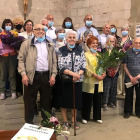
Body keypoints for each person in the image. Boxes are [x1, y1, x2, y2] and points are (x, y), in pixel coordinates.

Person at [18, 24, 57, 123]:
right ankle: (29, 124)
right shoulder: (26, 43)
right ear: (33, 31)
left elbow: (54, 61)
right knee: (30, 102)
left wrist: (53, 75)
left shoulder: (50, 44)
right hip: (32, 76)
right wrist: (23, 74)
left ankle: (46, 123)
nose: (40, 31)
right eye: (38, 29)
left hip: (46, 76)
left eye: (42, 29)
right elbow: (21, 60)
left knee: (46, 102)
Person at [58, 30, 86, 130]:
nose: (72, 39)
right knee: (64, 101)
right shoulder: (61, 50)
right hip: (66, 80)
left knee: (76, 101)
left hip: (77, 80)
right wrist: (72, 74)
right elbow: (60, 66)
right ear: (66, 39)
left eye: (74, 37)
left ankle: (74, 121)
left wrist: (78, 75)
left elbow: (84, 64)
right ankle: (65, 121)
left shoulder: (80, 49)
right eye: (70, 37)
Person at [82, 36, 106, 124]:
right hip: (89, 81)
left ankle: (97, 117)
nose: (95, 45)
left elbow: (103, 66)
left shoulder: (100, 55)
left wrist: (104, 74)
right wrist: (95, 75)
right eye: (93, 43)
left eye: (96, 43)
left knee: (97, 100)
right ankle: (85, 117)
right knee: (87, 100)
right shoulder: (85, 55)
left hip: (99, 81)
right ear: (89, 45)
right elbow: (85, 68)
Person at [0, 19, 17, 100]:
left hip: (13, 56)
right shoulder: (1, 34)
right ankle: (2, 92)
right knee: (3, 75)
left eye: (10, 25)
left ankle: (13, 91)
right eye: (7, 24)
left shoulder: (14, 34)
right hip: (3, 56)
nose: (8, 26)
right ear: (4, 25)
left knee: (12, 75)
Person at [123, 38, 140, 119]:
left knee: (139, 96)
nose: (137, 45)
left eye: (139, 43)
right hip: (128, 78)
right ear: (132, 44)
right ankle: (127, 111)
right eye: (136, 43)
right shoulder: (127, 53)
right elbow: (125, 66)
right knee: (128, 95)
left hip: (139, 78)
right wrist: (130, 77)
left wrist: (137, 77)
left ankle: (138, 112)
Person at [102, 36, 119, 110]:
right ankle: (104, 102)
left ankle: (111, 102)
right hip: (106, 72)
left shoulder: (116, 51)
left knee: (113, 88)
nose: (112, 43)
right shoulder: (103, 51)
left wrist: (116, 69)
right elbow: (101, 62)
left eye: (113, 42)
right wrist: (107, 70)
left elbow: (118, 62)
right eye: (110, 41)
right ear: (106, 42)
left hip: (114, 73)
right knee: (106, 87)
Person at [117, 25, 133, 95]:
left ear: (128, 31)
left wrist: (127, 49)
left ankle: (124, 91)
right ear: (121, 31)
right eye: (123, 30)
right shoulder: (119, 39)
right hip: (120, 58)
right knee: (120, 75)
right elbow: (116, 49)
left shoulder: (131, 39)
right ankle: (119, 90)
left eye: (126, 30)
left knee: (126, 74)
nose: (125, 31)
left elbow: (132, 49)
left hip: (128, 59)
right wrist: (121, 50)